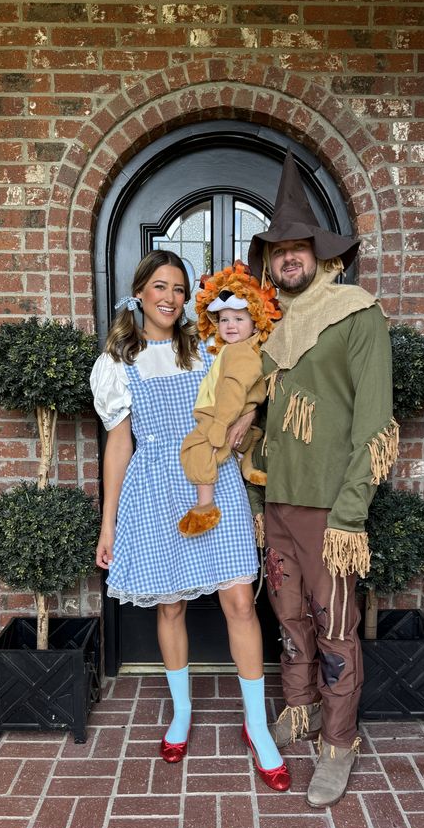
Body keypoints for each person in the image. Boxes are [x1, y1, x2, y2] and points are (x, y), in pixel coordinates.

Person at [91, 249, 290, 792]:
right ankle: (181, 713)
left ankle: (256, 724)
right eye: (159, 286)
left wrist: (245, 419)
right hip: (154, 486)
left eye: (179, 289)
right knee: (171, 604)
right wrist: (108, 526)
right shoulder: (118, 362)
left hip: (214, 479)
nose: (169, 297)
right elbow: (117, 446)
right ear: (139, 292)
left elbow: (254, 388)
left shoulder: (207, 345)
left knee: (238, 600)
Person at [246, 151, 399, 808]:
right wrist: (255, 498)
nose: (287, 258)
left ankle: (338, 742)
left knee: (335, 626)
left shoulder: (358, 314)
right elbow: (259, 425)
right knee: (288, 619)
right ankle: (300, 708)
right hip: (278, 502)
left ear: (319, 252)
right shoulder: (270, 329)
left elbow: (376, 424)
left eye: (297, 247)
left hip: (330, 510)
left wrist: (350, 511)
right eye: (277, 249)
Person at [178, 260, 280, 537]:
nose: (230, 325)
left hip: (221, 415)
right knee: (236, 449)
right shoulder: (234, 349)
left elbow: (233, 391)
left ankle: (205, 506)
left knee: (195, 449)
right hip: (234, 416)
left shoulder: (239, 353)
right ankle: (251, 467)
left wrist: (219, 427)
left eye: (239, 318)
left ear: (255, 321)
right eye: (224, 319)